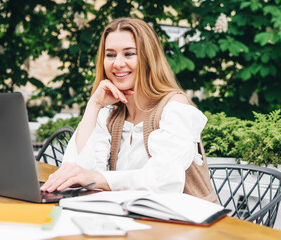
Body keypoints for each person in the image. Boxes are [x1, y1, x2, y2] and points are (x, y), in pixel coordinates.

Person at [41, 17, 217, 202]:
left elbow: (165, 180)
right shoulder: (109, 113)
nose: (117, 63)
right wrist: (94, 105)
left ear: (148, 58)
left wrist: (97, 179)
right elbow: (75, 170)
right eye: (110, 55)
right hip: (132, 220)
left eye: (129, 54)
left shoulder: (175, 107)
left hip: (190, 223)